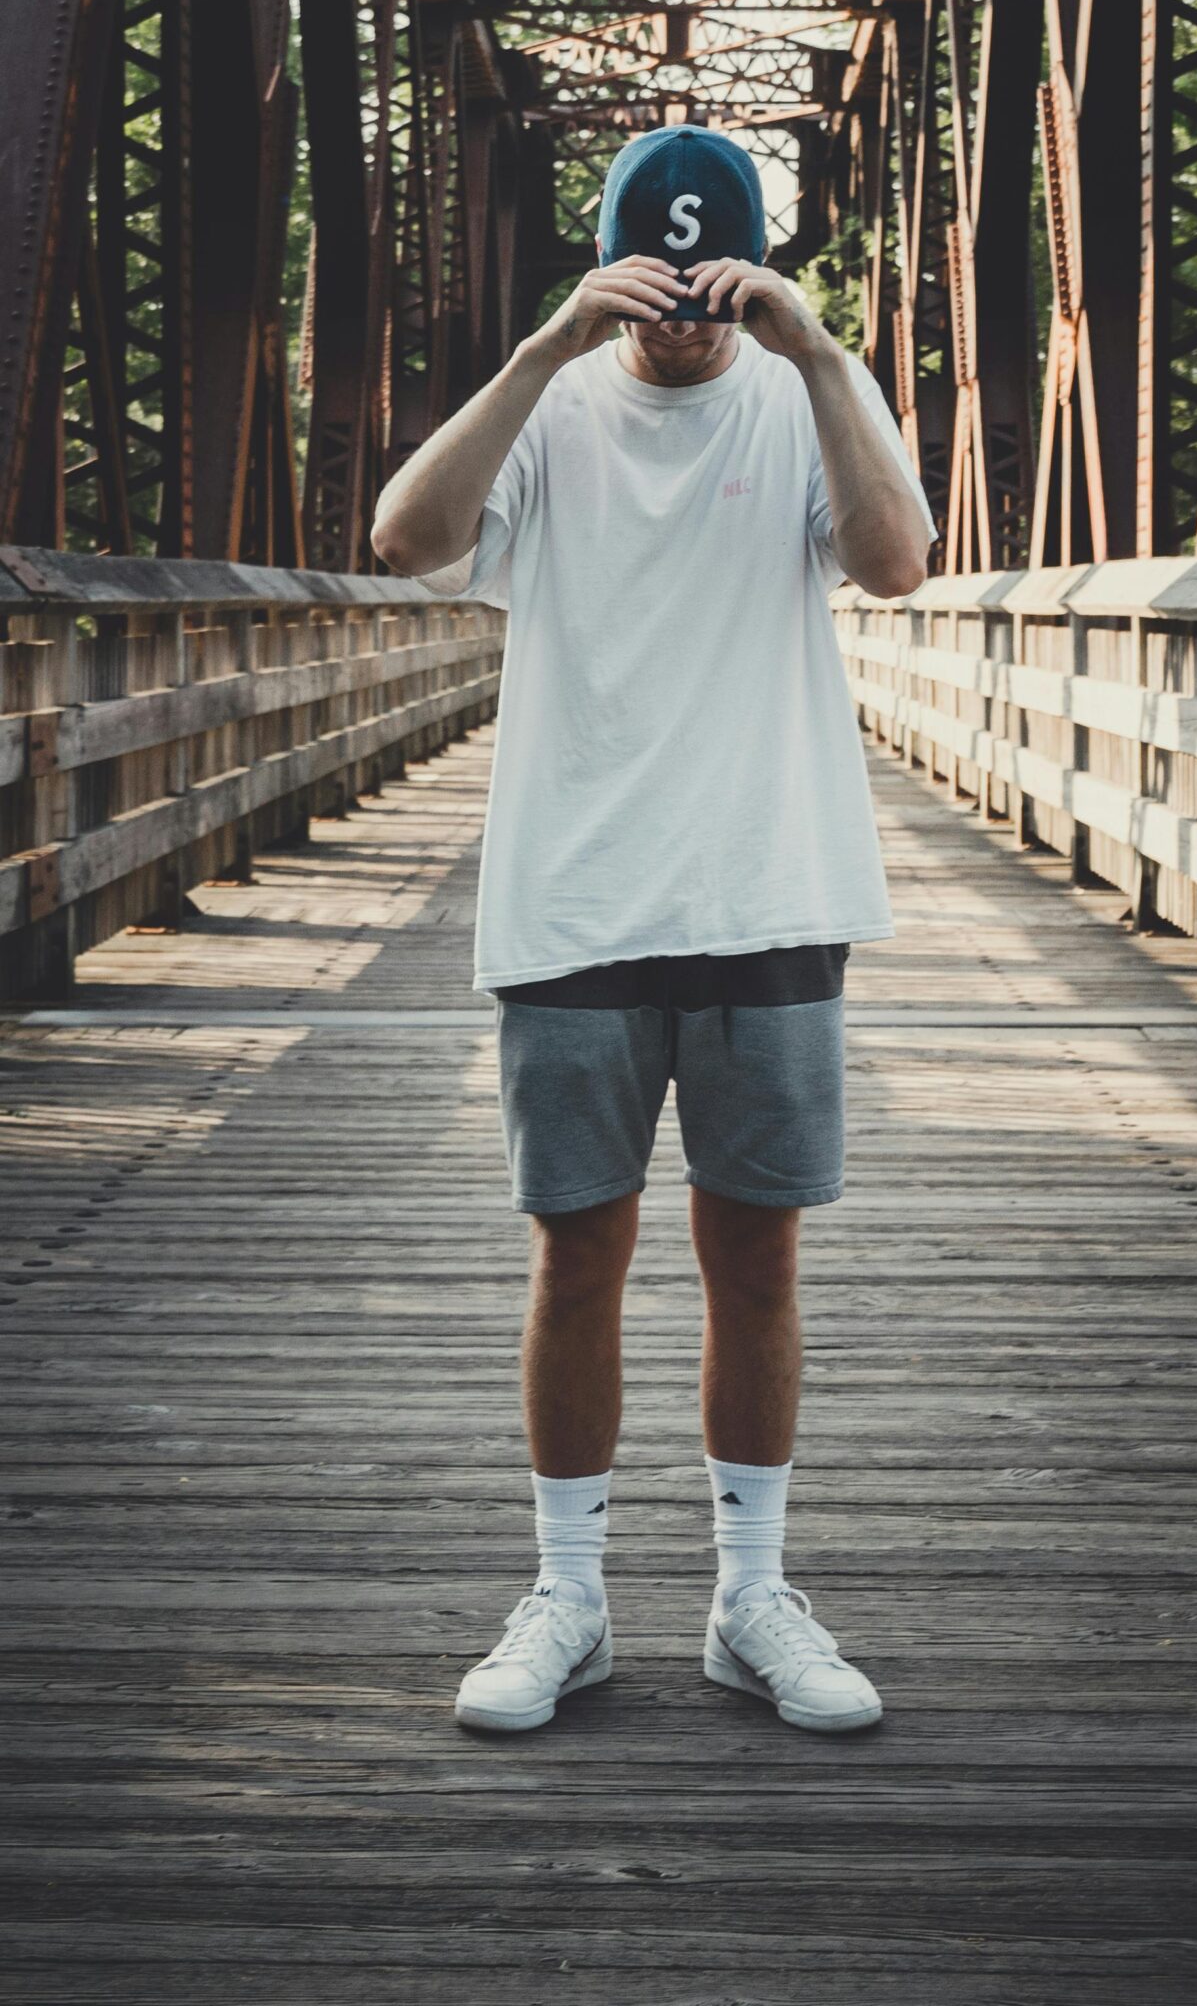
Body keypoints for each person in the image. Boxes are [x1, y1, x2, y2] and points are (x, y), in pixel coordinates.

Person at [371, 124, 935, 1736]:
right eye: (657, 272)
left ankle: (751, 1597)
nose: (684, 306)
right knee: (579, 1254)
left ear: (750, 260)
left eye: (714, 271)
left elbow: (895, 567)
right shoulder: (552, 406)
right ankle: (571, 1599)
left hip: (765, 884)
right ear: (613, 262)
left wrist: (818, 349)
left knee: (755, 1255)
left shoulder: (809, 389)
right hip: (575, 895)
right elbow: (407, 543)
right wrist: (546, 342)